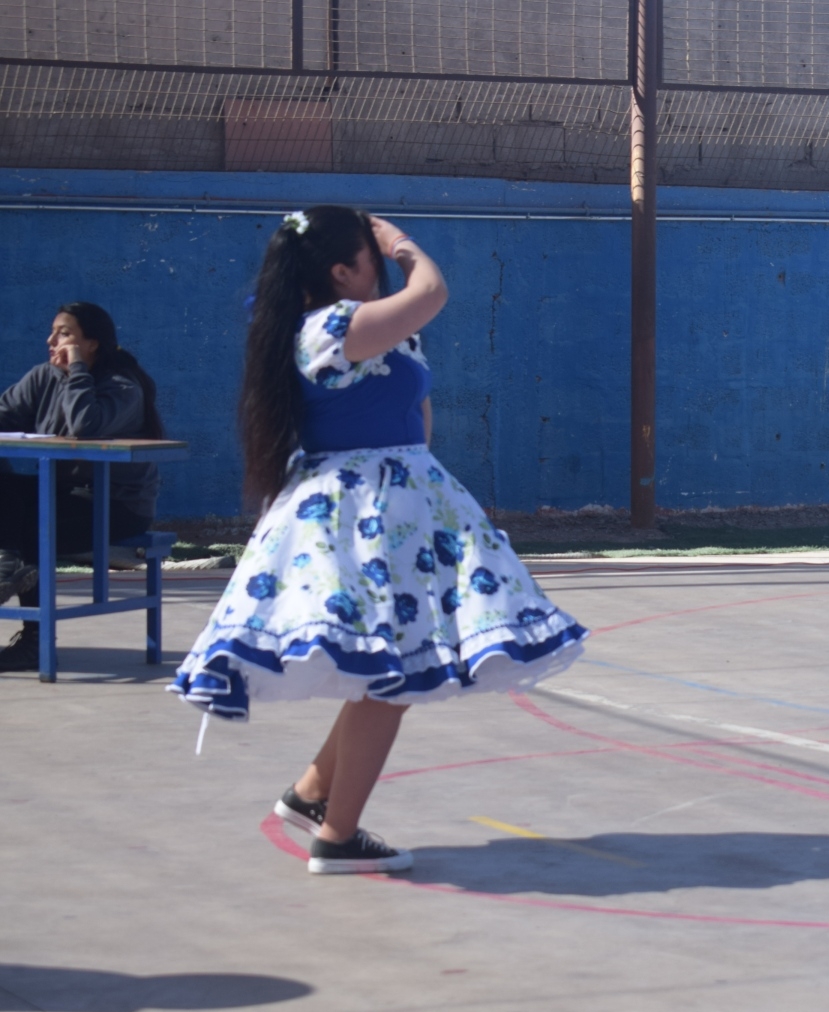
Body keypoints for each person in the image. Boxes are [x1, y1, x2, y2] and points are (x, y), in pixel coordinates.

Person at [169, 206, 587, 874]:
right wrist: (403, 244)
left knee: (387, 666)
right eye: (369, 255)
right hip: (365, 510)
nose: (382, 262)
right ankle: (338, 836)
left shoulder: (348, 325)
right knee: (392, 675)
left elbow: (414, 405)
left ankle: (313, 794)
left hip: (392, 502)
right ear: (342, 271)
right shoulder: (334, 326)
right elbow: (431, 292)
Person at [0, 302, 164, 671]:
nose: (51, 340)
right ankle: (8, 565)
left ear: (92, 344)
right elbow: (4, 412)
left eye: (64, 334)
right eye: (53, 332)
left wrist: (76, 369)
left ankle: (34, 641)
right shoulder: (43, 377)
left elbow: (85, 426)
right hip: (61, 494)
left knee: (34, 527)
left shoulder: (123, 386)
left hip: (116, 505)